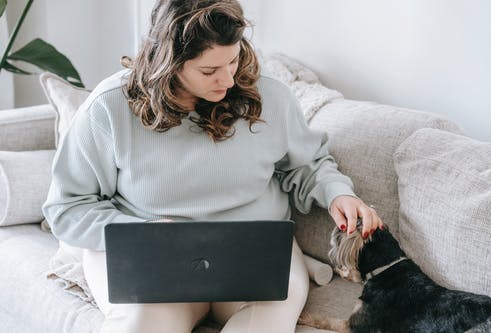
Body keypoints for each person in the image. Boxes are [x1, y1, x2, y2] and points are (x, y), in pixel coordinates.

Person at [42, 0, 384, 332]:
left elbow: (306, 166)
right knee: (139, 325)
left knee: (268, 320)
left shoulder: (270, 98)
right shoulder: (108, 108)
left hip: (252, 255)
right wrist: (143, 233)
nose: (229, 80)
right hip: (150, 257)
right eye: (209, 70)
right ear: (168, 63)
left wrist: (338, 195)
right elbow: (67, 208)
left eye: (233, 61)